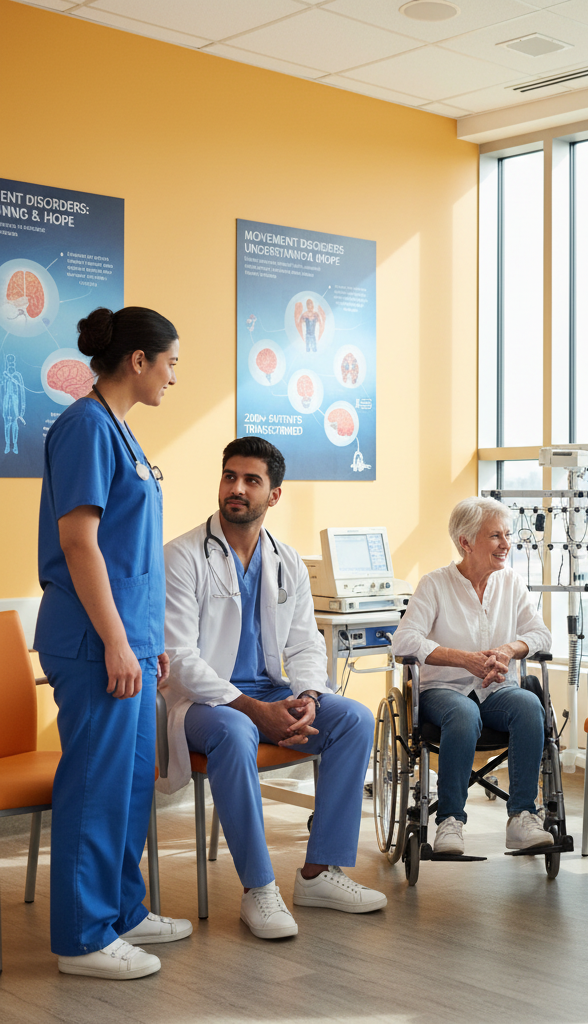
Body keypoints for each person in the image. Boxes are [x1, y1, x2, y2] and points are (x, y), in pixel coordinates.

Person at [161, 437, 385, 940]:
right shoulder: (181, 556)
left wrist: (308, 697)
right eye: (229, 476)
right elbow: (179, 658)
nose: (236, 488)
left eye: (251, 480)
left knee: (352, 717)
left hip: (270, 690)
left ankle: (319, 872)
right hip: (203, 702)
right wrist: (254, 709)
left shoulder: (287, 561)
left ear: (274, 495)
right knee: (237, 731)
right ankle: (259, 888)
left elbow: (306, 644)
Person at [35, 306, 189, 980]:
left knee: (129, 785)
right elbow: (78, 543)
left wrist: (147, 643)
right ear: (138, 360)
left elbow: (131, 556)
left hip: (127, 643)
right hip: (93, 643)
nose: (173, 378)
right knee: (95, 789)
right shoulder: (85, 428)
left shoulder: (119, 431)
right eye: (171, 363)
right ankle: (82, 937)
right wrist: (117, 644)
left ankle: (123, 910)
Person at [391, 497, 554, 856]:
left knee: (529, 706)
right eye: (495, 536)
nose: (506, 545)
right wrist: (462, 659)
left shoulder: (511, 583)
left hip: (496, 690)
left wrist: (509, 650)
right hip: (442, 690)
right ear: (466, 542)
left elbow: (541, 634)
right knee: (463, 714)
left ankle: (523, 816)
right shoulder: (435, 584)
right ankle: (450, 821)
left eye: (507, 535)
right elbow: (404, 640)